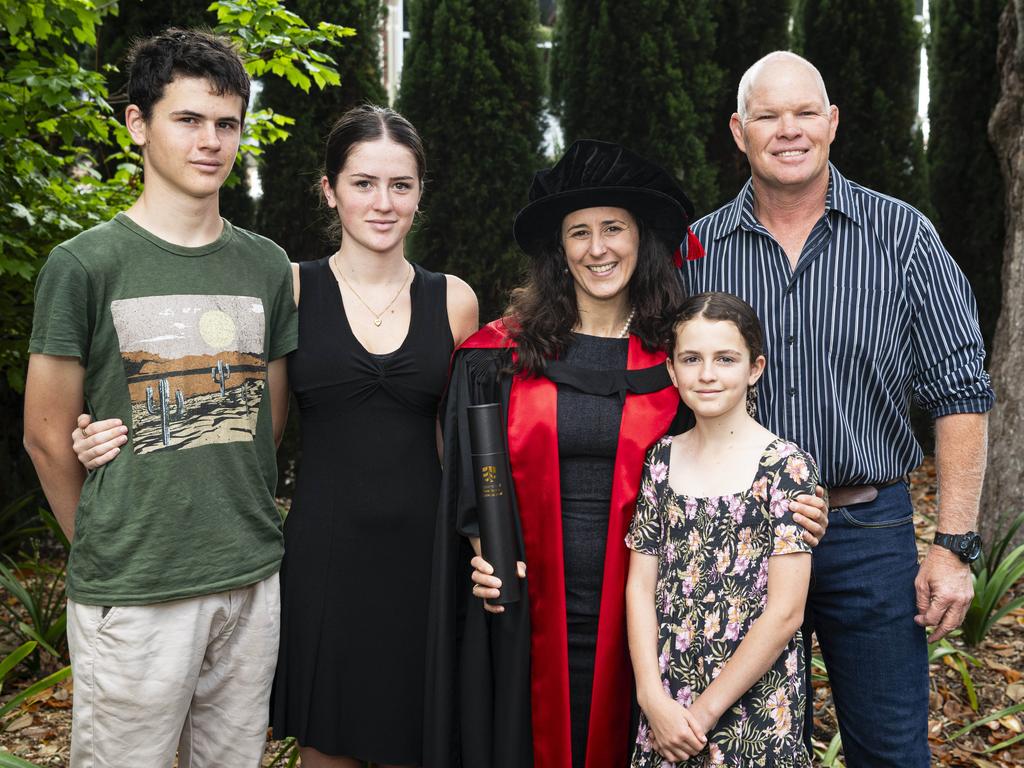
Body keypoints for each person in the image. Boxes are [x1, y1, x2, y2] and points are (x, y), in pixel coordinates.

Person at [69, 105, 479, 768]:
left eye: (400, 185)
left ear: (420, 195)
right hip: (324, 554)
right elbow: (250, 420)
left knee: (419, 737)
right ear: (329, 189)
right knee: (327, 744)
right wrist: (103, 433)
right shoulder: (287, 288)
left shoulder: (454, 300)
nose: (382, 202)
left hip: (426, 556)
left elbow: (459, 443)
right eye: (363, 183)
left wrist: (482, 540)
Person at [423, 140, 828, 768]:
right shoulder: (502, 355)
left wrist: (798, 505)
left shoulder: (680, 356)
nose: (598, 247)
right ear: (560, 250)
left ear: (641, 240)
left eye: (614, 228)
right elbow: (470, 476)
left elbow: (739, 450)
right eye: (578, 232)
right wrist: (482, 549)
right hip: (532, 610)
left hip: (652, 616)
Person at [683, 51, 995, 766]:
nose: (788, 130)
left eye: (804, 112)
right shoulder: (696, 249)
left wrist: (953, 546)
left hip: (870, 533)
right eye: (767, 115)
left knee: (889, 750)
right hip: (742, 533)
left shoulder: (903, 238)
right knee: (747, 749)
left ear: (832, 122)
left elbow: (960, 391)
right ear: (739, 131)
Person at [23, 28, 297, 766]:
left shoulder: (265, 264)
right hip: (136, 589)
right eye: (187, 119)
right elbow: (47, 436)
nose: (211, 141)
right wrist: (107, 548)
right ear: (138, 125)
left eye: (226, 123)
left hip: (247, 579)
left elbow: (264, 423)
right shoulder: (84, 264)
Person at [626, 292, 815, 767]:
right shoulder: (661, 460)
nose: (706, 374)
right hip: (668, 699)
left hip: (752, 706)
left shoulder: (785, 468)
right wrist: (651, 696)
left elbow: (786, 613)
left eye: (725, 359)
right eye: (691, 359)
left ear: (755, 368)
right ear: (672, 371)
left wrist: (704, 714)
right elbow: (639, 586)